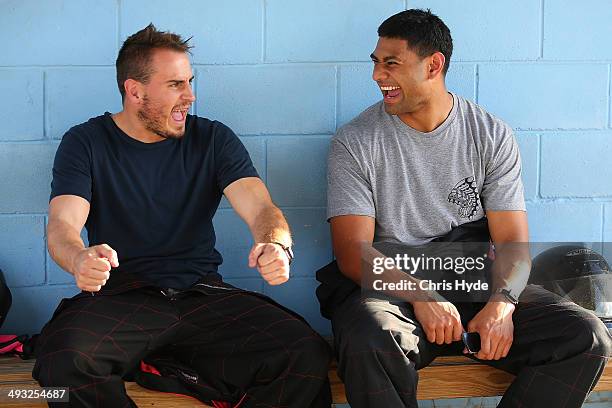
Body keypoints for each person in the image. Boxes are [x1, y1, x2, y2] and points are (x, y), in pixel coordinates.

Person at [318, 9, 611, 408]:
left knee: (585, 335)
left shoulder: (490, 134)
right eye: (376, 63)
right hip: (396, 289)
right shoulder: (354, 142)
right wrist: (423, 297)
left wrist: (502, 305)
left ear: (433, 65)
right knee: (370, 337)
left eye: (391, 64)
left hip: (474, 278)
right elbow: (353, 252)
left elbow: (513, 244)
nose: (377, 76)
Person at [33, 24, 331, 408]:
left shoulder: (213, 138)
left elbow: (261, 207)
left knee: (303, 352)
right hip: (124, 298)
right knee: (65, 362)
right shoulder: (86, 142)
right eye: (175, 84)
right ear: (135, 90)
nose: (190, 96)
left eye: (190, 82)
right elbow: (62, 225)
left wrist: (276, 244)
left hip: (202, 294)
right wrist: (78, 259)